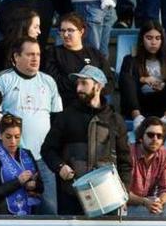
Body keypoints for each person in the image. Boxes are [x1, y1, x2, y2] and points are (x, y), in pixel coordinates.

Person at [41, 65, 132, 215]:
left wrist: (124, 194)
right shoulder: (66, 116)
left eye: (84, 83)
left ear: (98, 86)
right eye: (78, 83)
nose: (78, 88)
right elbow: (47, 150)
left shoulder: (115, 120)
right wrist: (60, 166)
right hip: (71, 196)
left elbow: (125, 162)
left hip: (107, 196)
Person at [0, 36, 63, 214]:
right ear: (16, 57)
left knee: (50, 210)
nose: (35, 58)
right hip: (13, 158)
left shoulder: (48, 82)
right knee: (14, 210)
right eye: (30, 54)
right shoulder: (4, 80)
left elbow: (57, 120)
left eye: (38, 54)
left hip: (44, 157)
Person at [119, 20, 166, 126]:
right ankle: (137, 118)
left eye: (157, 38)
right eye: (149, 38)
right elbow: (124, 82)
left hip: (164, 104)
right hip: (139, 104)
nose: (153, 42)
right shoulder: (130, 59)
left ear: (162, 40)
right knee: (126, 77)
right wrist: (143, 80)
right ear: (142, 39)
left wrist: (164, 85)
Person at [43, 12, 115, 107]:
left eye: (70, 30)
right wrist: (86, 85)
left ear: (81, 31)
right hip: (67, 105)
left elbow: (109, 81)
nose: (65, 34)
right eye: (62, 30)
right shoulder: (53, 53)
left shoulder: (95, 53)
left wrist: (94, 91)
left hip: (94, 105)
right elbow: (53, 81)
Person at [0, 113, 43, 215]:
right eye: (8, 136)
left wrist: (34, 185)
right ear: (0, 135)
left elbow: (41, 186)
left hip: (29, 213)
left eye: (17, 137)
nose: (13, 141)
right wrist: (18, 181)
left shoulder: (27, 154)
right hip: (2, 215)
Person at [127, 117, 166, 216]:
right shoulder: (128, 154)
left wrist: (159, 201)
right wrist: (144, 202)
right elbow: (121, 193)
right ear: (141, 137)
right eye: (150, 135)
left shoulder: (165, 155)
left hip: (149, 204)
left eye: (159, 136)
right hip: (127, 206)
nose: (155, 139)